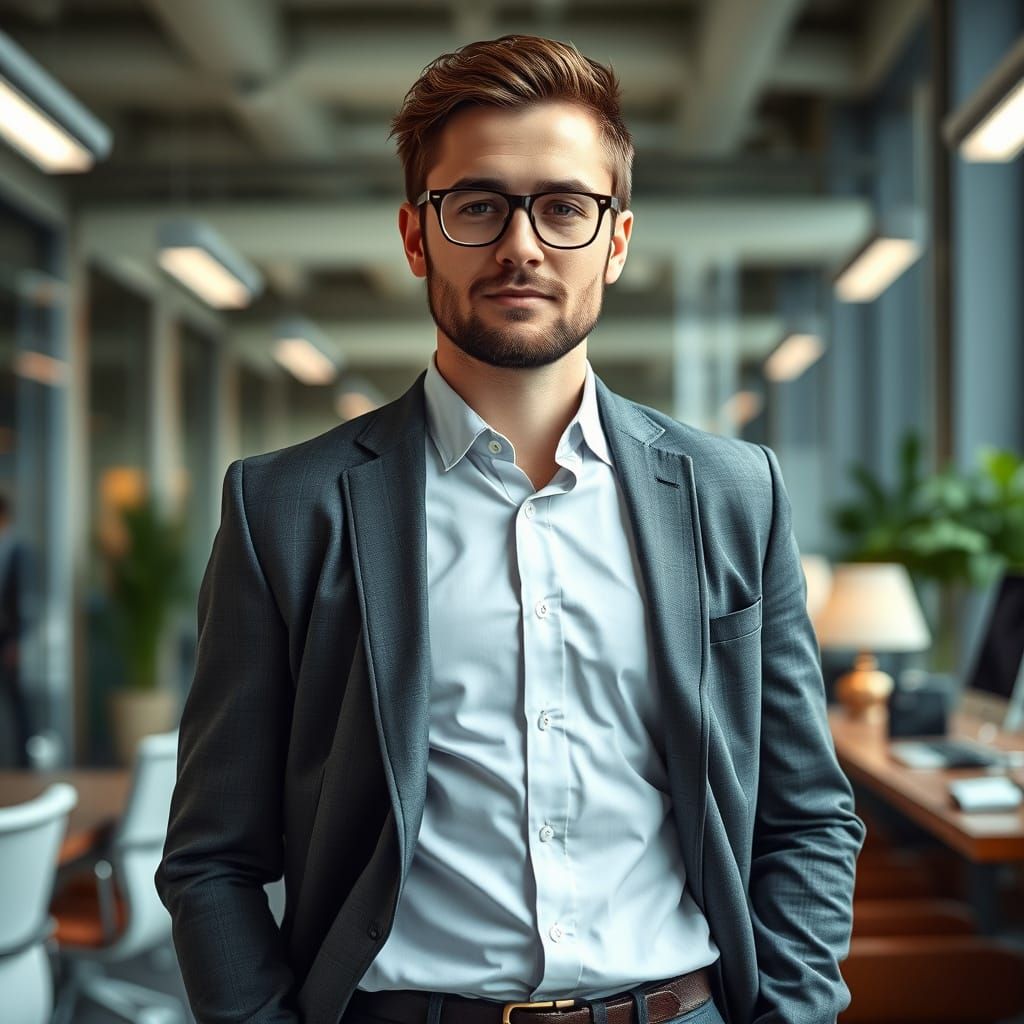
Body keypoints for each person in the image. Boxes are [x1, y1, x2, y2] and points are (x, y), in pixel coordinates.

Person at [156, 34, 865, 1024]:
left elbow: (804, 816)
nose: (521, 245)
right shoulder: (286, 506)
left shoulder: (733, 491)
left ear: (615, 241)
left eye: (565, 206)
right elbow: (212, 858)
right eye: (478, 205)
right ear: (416, 236)